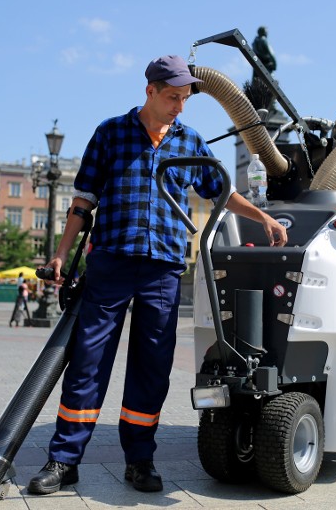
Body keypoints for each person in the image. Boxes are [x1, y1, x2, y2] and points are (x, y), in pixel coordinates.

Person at [27, 55, 288, 496]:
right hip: (110, 262)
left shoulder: (189, 141)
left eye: (185, 99)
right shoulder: (110, 133)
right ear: (150, 91)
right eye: (172, 98)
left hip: (163, 269)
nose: (179, 107)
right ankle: (64, 460)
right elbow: (83, 199)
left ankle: (140, 460)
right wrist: (60, 254)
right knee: (88, 364)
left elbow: (220, 191)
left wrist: (263, 217)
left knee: (152, 368)